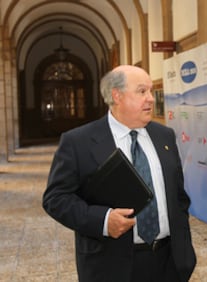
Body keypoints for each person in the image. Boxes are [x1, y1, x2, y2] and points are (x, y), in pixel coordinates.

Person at [42, 65, 196, 282]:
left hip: (169, 261)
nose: (151, 98)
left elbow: (178, 196)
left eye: (151, 91)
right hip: (110, 265)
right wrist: (103, 221)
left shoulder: (165, 136)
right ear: (117, 95)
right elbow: (55, 199)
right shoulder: (79, 142)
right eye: (142, 91)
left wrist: (184, 251)